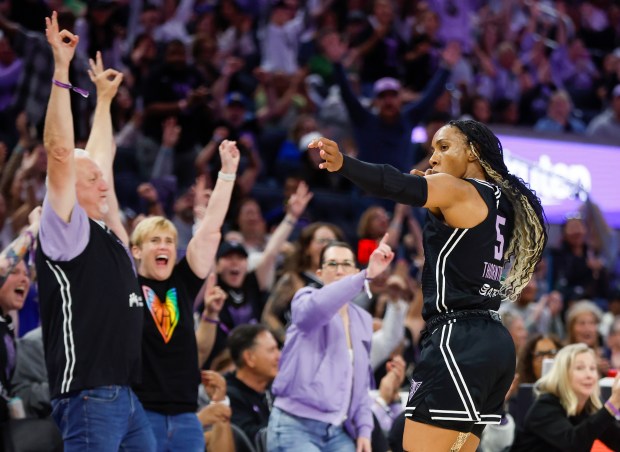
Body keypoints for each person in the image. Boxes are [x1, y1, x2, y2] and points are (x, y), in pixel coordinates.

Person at [311, 118, 547, 451]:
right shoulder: (503, 203)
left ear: (473, 153)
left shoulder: (458, 190)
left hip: (457, 341)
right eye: (432, 149)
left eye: (444, 147)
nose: (433, 158)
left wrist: (344, 164)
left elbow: (395, 183)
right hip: (494, 344)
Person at [35, 12, 155, 450]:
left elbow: (96, 157)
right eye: (93, 180)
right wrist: (62, 69)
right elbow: (62, 152)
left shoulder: (100, 226)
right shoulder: (65, 226)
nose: (104, 181)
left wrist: (103, 102)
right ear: (69, 187)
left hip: (123, 393)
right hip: (90, 391)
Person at [129, 135, 238, 450]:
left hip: (186, 415)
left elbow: (211, 230)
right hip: (140, 412)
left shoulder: (182, 280)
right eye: (154, 241)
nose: (163, 246)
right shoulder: (126, 285)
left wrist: (227, 173)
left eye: (168, 241)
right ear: (136, 251)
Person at [268, 237, 395, 452]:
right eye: (332, 264)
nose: (339, 270)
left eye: (346, 264)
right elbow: (320, 306)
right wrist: (366, 275)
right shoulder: (304, 299)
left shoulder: (362, 319)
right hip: (295, 425)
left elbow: (361, 382)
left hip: (337, 429)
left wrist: (364, 430)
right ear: (320, 273)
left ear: (354, 271)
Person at [511, 343, 620, 451]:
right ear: (563, 373)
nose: (589, 375)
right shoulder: (544, 407)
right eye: (580, 368)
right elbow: (573, 444)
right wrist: (613, 404)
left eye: (592, 368)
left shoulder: (589, 407)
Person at [225, 324, 280, 442]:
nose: (279, 356)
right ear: (249, 358)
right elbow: (248, 440)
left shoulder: (277, 387)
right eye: (271, 350)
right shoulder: (228, 396)